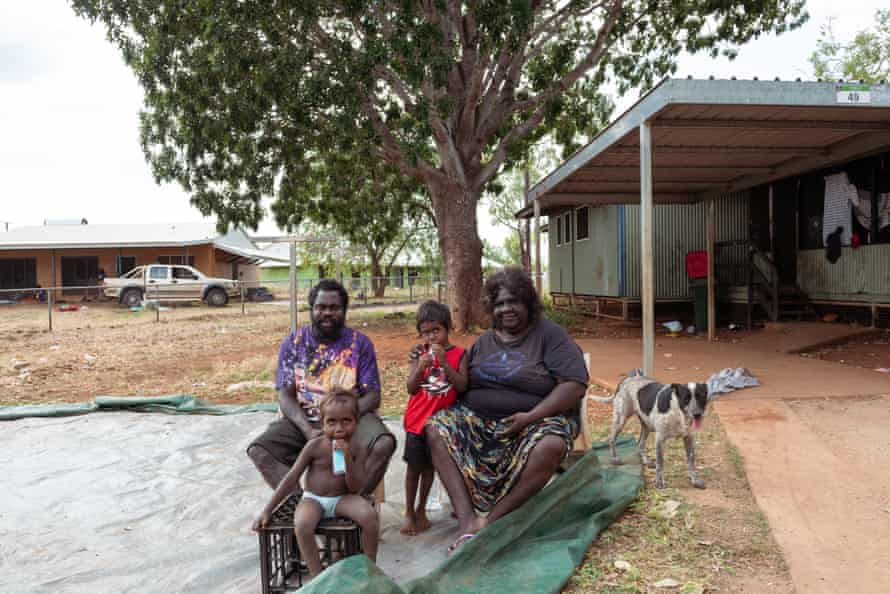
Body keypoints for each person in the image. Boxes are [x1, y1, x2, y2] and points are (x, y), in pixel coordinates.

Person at [425, 267, 588, 553]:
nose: (506, 309)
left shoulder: (550, 335)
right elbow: (462, 385)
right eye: (499, 303)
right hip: (481, 421)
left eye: (513, 301)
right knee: (436, 428)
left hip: (536, 419)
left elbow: (574, 385)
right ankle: (466, 524)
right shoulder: (485, 341)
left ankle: (490, 521)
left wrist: (531, 416)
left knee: (550, 444)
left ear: (527, 302)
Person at [246, 279, 395, 497]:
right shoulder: (293, 343)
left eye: (334, 308)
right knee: (259, 450)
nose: (327, 313)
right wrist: (308, 430)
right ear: (312, 309)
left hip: (353, 420)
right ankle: (299, 505)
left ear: (344, 311)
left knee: (383, 444)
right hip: (306, 420)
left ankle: (354, 504)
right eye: (321, 307)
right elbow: (285, 395)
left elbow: (373, 396)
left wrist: (344, 421)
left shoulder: (360, 344)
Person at [252, 389, 378, 580]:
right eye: (332, 422)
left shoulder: (357, 449)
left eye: (346, 421)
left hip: (343, 498)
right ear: (322, 422)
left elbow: (355, 487)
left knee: (369, 516)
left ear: (357, 422)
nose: (339, 428)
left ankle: (370, 570)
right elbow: (292, 477)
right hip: (314, 499)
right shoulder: (315, 446)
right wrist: (267, 510)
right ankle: (318, 577)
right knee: (302, 525)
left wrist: (347, 458)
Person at [401, 301, 467, 536]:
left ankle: (421, 510)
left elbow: (461, 385)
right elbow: (410, 388)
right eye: (426, 332)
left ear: (448, 328)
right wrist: (420, 367)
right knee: (413, 468)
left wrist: (445, 363)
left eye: (436, 330)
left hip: (439, 426)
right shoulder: (418, 353)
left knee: (429, 469)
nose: (431, 337)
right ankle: (408, 511)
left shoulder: (459, 354)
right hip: (416, 421)